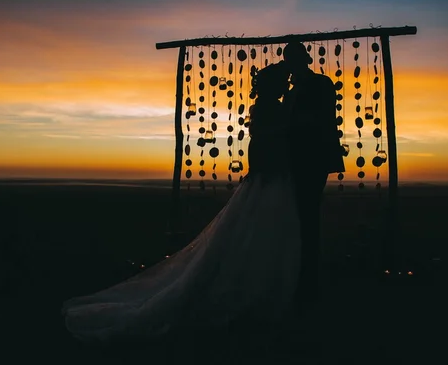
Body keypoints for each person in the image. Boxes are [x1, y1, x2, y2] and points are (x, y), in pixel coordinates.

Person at [62, 61, 301, 343]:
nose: (287, 85)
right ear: (273, 86)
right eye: (283, 81)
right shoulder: (270, 109)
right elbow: (265, 142)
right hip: (268, 177)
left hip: (268, 177)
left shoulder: (266, 108)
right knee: (258, 234)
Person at [282, 41, 345, 312]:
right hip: (294, 161)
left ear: (304, 61)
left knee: (308, 214)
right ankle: (300, 272)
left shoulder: (322, 84)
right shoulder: (291, 92)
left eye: (295, 60)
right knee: (297, 216)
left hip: (313, 159)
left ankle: (308, 278)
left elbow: (321, 120)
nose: (292, 67)